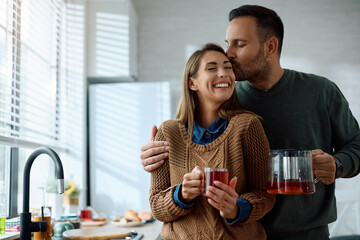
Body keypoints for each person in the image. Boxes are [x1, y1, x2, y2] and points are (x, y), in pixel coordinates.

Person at [141, 5, 360, 240]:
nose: (229, 53)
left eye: (239, 44)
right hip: (243, 232)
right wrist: (154, 156)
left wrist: (337, 164)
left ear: (270, 47)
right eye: (227, 43)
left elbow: (356, 145)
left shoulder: (320, 91)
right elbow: (188, 146)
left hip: (306, 233)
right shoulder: (225, 97)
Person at [149, 43, 275, 240]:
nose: (224, 73)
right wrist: (181, 195)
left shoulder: (247, 125)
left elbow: (265, 195)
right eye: (211, 68)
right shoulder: (168, 132)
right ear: (192, 83)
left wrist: (237, 208)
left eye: (228, 67)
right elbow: (156, 205)